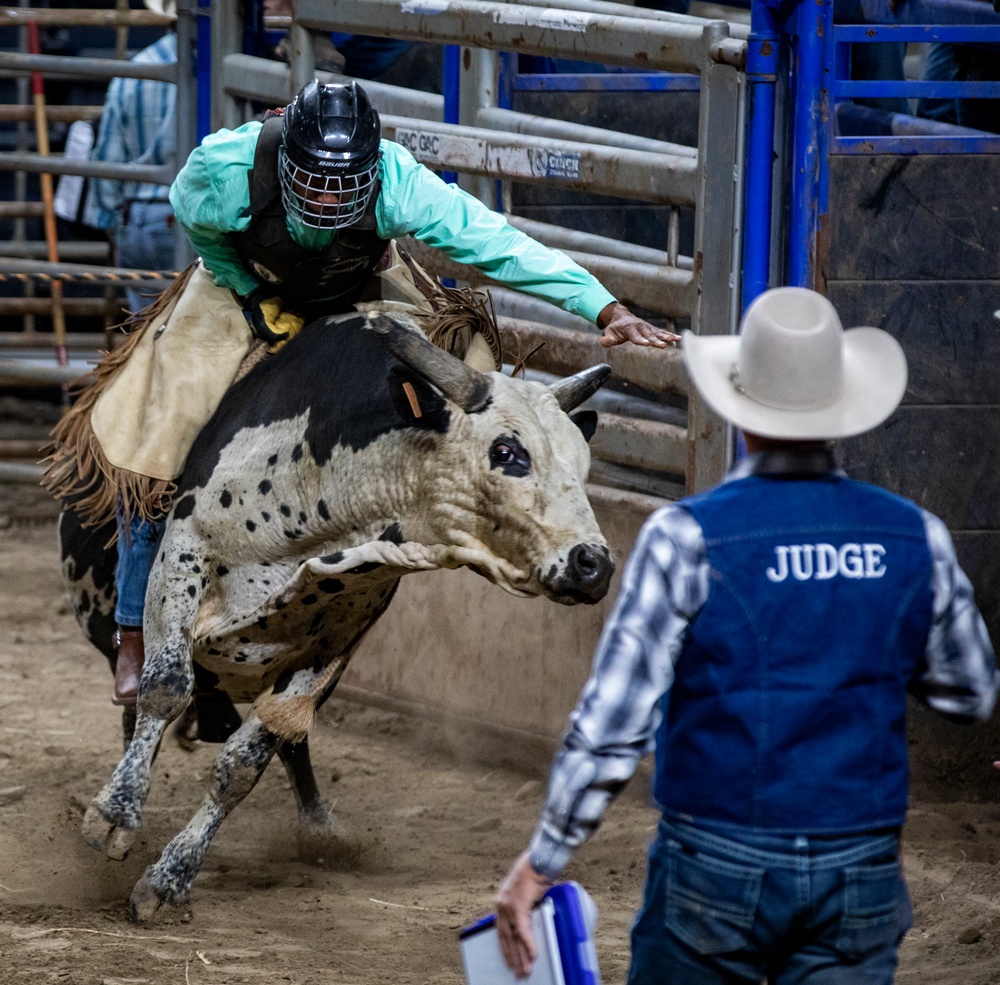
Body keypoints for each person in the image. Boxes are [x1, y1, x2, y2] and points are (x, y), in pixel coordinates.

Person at [105, 78, 678, 706]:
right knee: (160, 431)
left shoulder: (399, 182)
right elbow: (194, 216)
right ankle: (133, 626)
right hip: (246, 280)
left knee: (474, 377)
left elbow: (497, 244)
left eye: (343, 185)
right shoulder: (227, 169)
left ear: (368, 174)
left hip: (357, 280)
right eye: (314, 181)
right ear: (289, 162)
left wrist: (601, 307)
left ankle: (454, 525)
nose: (326, 198)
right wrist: (247, 287)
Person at [495, 286, 998, 985]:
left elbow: (614, 724)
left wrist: (541, 860)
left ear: (742, 413)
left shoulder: (685, 538)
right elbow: (970, 690)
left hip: (718, 861)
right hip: (859, 861)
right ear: (841, 411)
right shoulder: (917, 537)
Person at [84, 0, 179, 705]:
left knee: (149, 411)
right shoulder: (273, 73)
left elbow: (104, 190)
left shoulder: (133, 73)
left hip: (145, 227)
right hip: (195, 233)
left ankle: (131, 632)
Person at [88, 0, 178, 317]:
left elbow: (107, 162)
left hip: (139, 216)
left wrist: (110, 222)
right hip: (196, 217)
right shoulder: (226, 70)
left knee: (144, 331)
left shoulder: (136, 69)